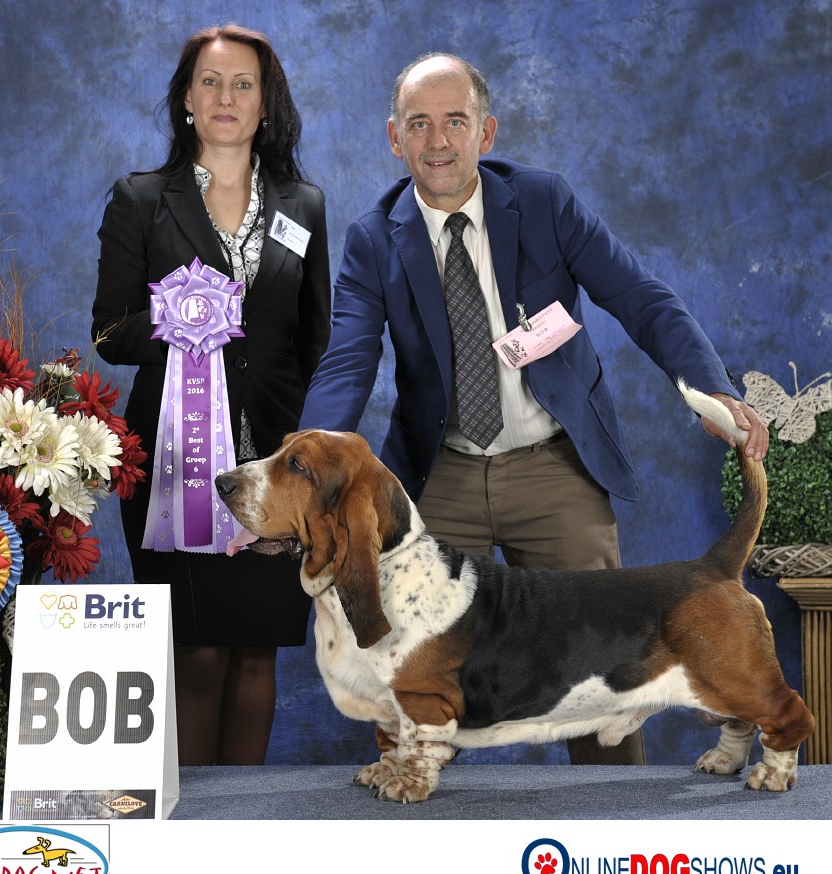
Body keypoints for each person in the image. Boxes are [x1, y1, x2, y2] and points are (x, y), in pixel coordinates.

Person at [298, 52, 767, 765]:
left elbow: (640, 298)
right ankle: (411, 791)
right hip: (439, 475)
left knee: (608, 662)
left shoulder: (544, 202)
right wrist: (306, 461)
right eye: (418, 124)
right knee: (406, 666)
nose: (437, 141)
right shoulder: (373, 238)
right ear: (394, 139)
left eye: (456, 122)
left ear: (486, 132)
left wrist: (711, 387)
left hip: (553, 465)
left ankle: (616, 809)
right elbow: (348, 358)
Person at [92, 24, 330, 765]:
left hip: (277, 466)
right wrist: (187, 318)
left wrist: (312, 454)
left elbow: (318, 341)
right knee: (196, 656)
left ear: (265, 103)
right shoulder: (140, 200)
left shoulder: (305, 205)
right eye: (210, 82)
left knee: (258, 655)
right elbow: (109, 332)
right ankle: (191, 824)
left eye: (243, 84)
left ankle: (242, 823)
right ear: (187, 99)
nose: (226, 97)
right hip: (175, 463)